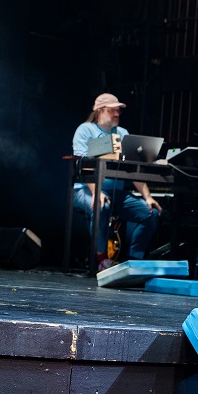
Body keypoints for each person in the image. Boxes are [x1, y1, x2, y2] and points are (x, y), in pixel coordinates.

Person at [71, 93, 161, 268]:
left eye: (118, 111)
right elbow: (83, 165)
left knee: (151, 213)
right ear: (100, 111)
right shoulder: (85, 130)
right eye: (112, 110)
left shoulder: (122, 133)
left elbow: (133, 169)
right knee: (101, 207)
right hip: (86, 190)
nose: (117, 114)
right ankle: (101, 259)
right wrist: (97, 192)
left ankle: (134, 261)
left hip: (116, 193)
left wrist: (148, 196)